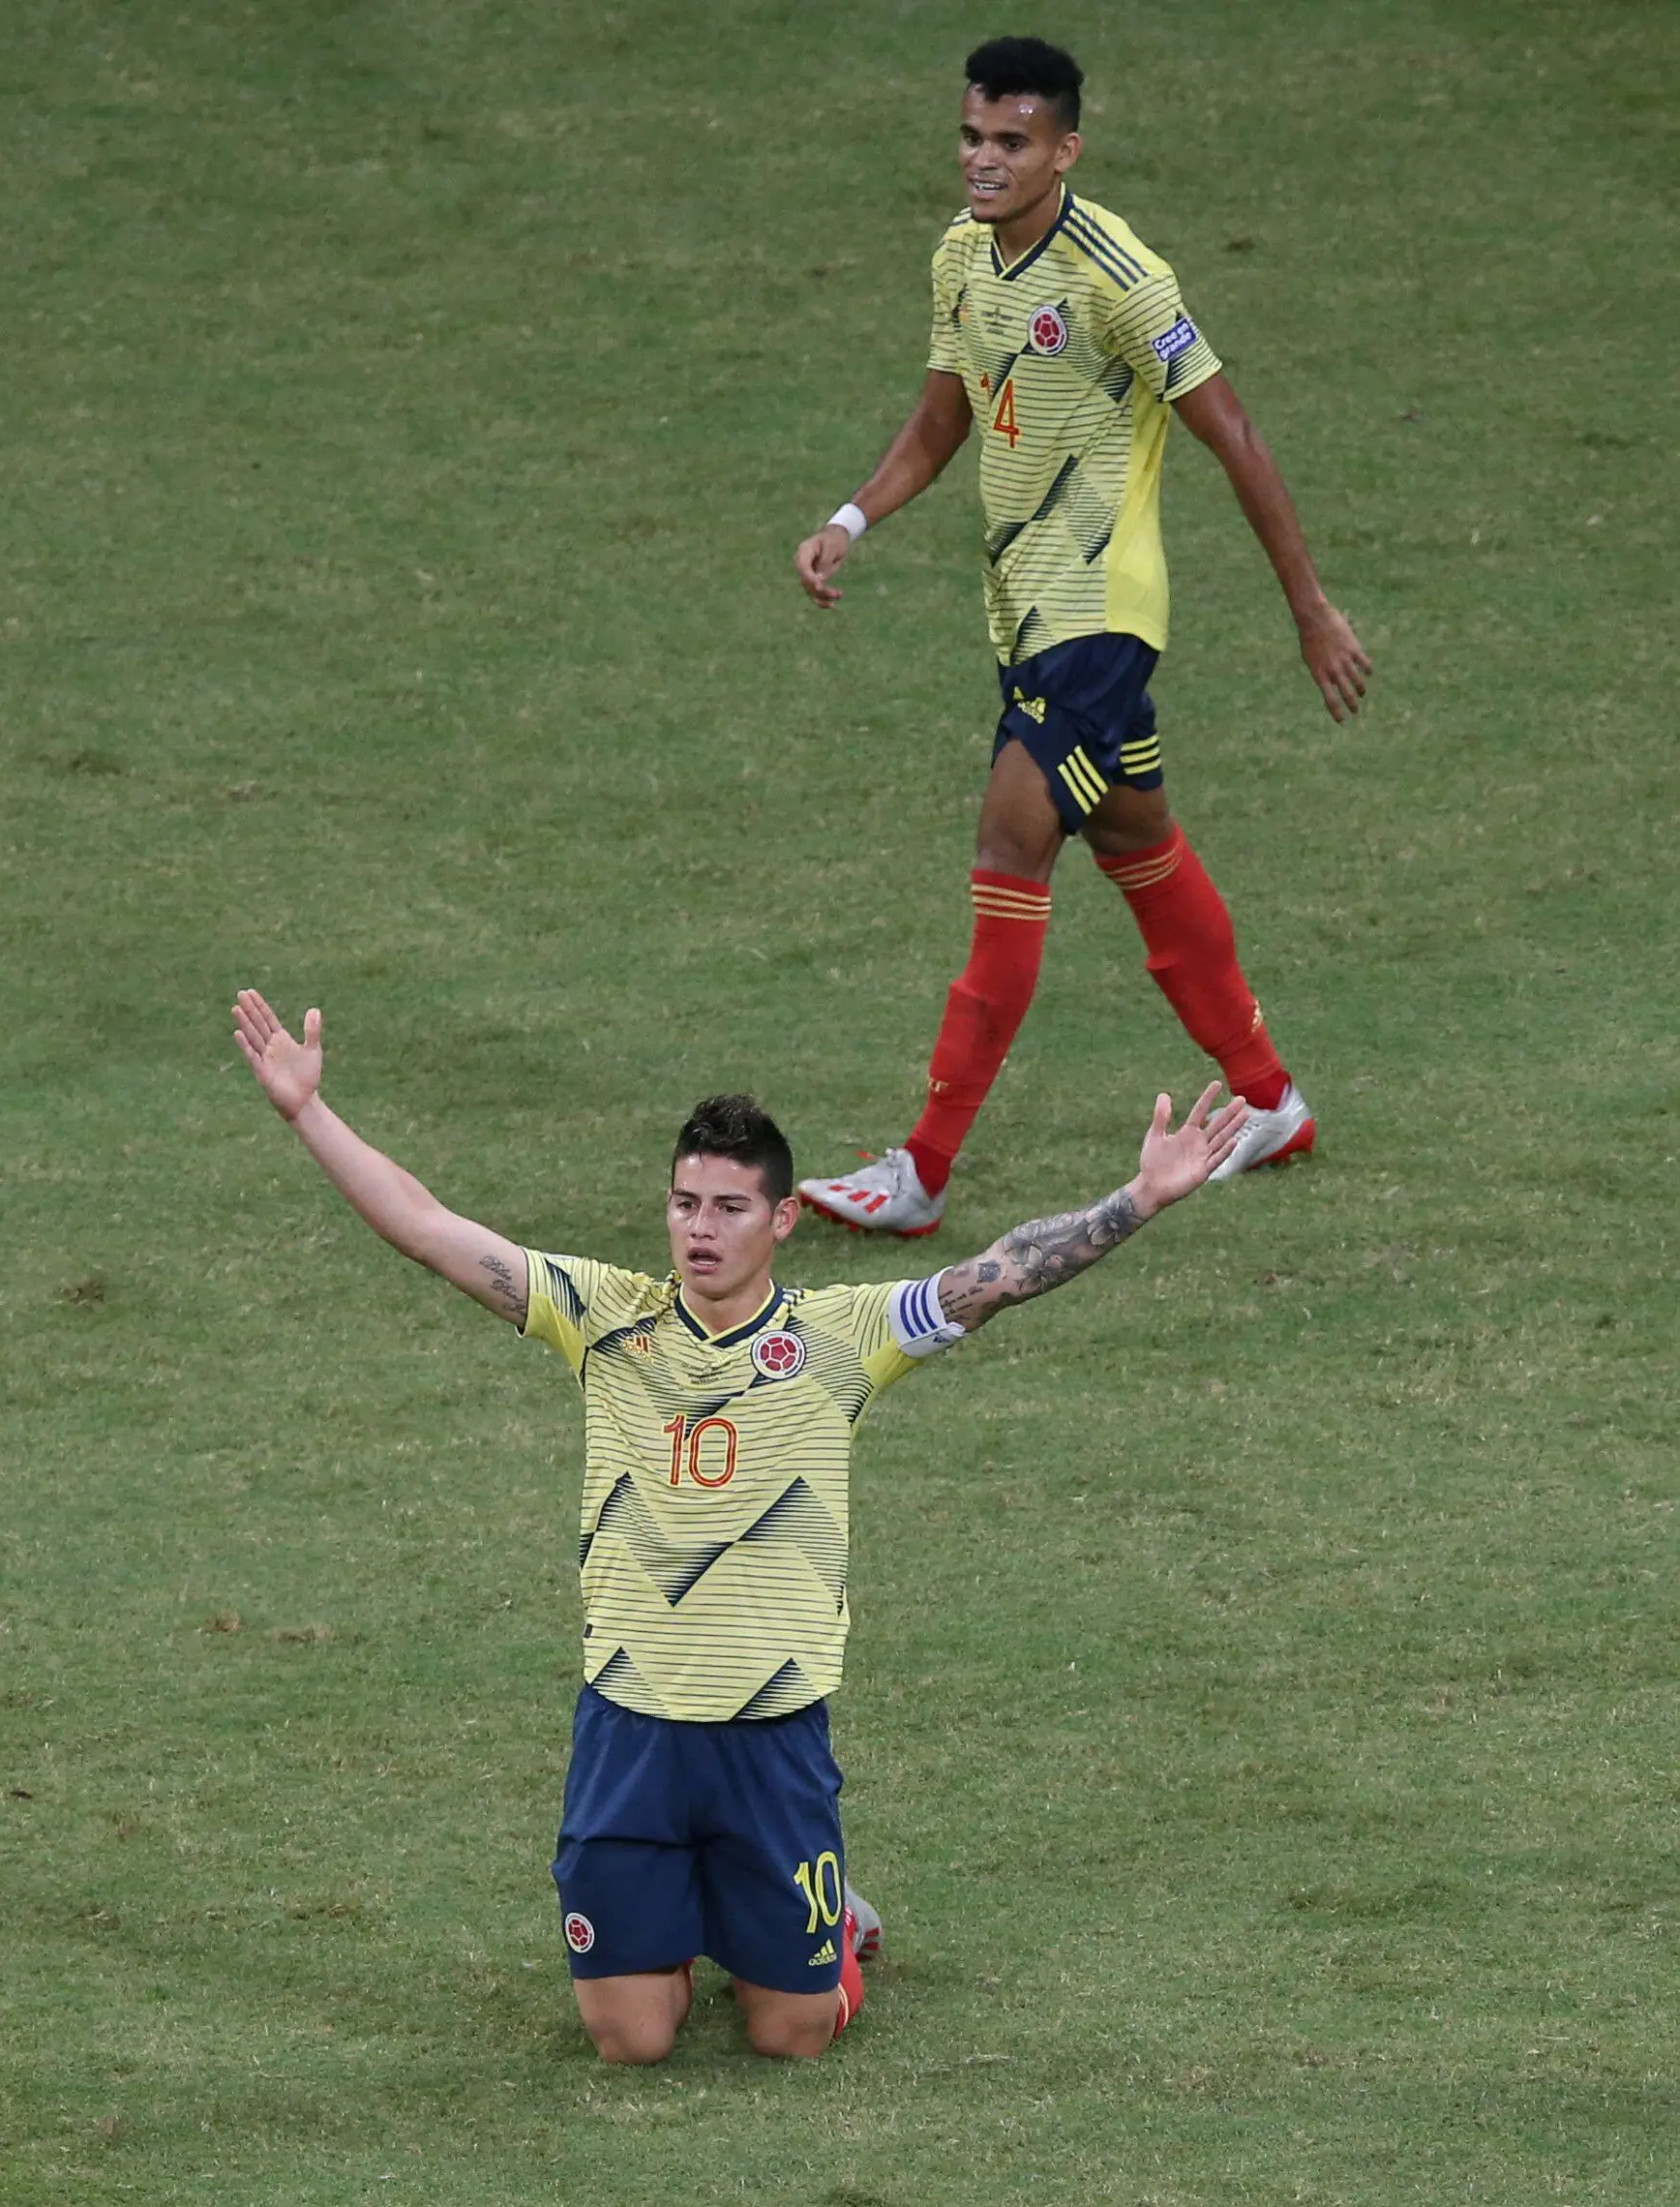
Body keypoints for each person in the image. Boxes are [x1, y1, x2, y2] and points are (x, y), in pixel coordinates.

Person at [231, 987, 1247, 2062]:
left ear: (781, 1219)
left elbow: (993, 1276)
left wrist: (1140, 1197)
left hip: (771, 1738)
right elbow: (429, 1229)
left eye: (726, 1208)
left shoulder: (843, 1337)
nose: (699, 1229)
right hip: (630, 1730)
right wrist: (308, 1112)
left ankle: (823, 1934)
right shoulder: (603, 1317)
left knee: (790, 2037)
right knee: (632, 2042)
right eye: (684, 1205)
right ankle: (680, 1929)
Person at [794, 35, 1371, 1238]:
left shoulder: (1118, 275)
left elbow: (1233, 433)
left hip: (1099, 620)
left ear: (1064, 150)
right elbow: (940, 418)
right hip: (1024, 616)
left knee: (1008, 850)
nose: (983, 160)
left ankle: (921, 1172)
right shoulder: (959, 257)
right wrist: (850, 519)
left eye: (1011, 142)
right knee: (1134, 837)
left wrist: (1309, 608)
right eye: (971, 136)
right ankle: (1269, 1104)